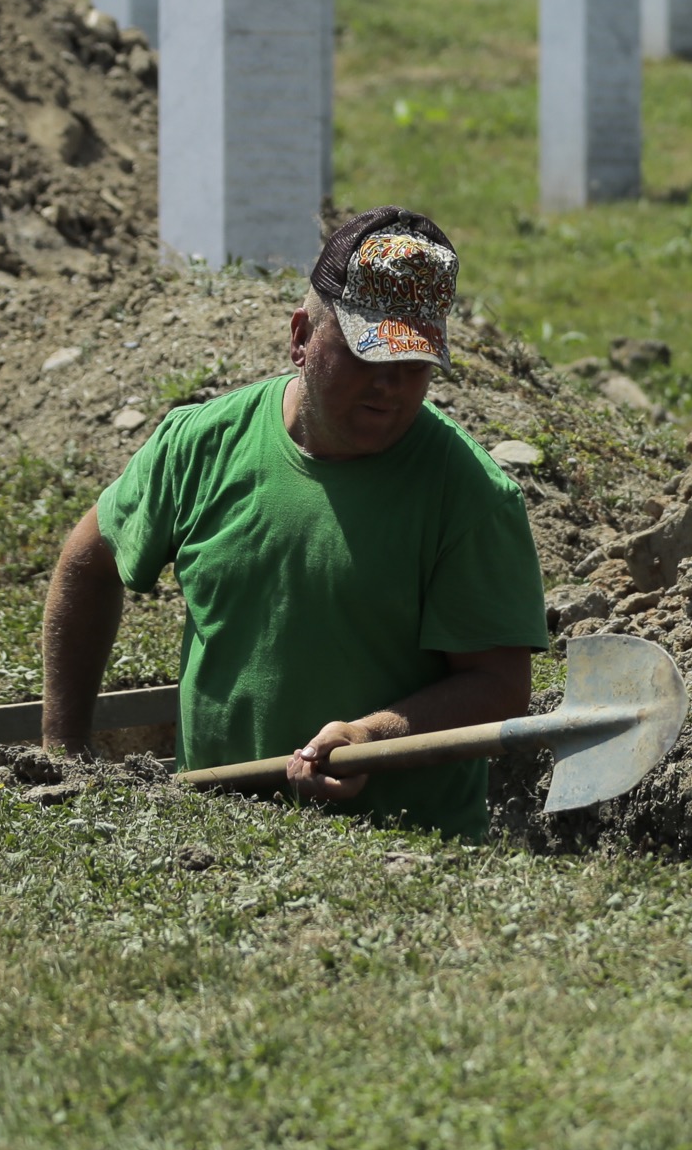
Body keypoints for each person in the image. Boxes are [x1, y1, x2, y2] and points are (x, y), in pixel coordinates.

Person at [39, 207, 548, 837]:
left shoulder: (471, 496)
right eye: (365, 354)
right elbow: (88, 563)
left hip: (399, 853)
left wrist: (373, 736)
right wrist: (63, 749)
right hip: (212, 837)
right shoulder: (202, 444)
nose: (390, 387)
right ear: (302, 336)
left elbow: (497, 686)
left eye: (413, 365)